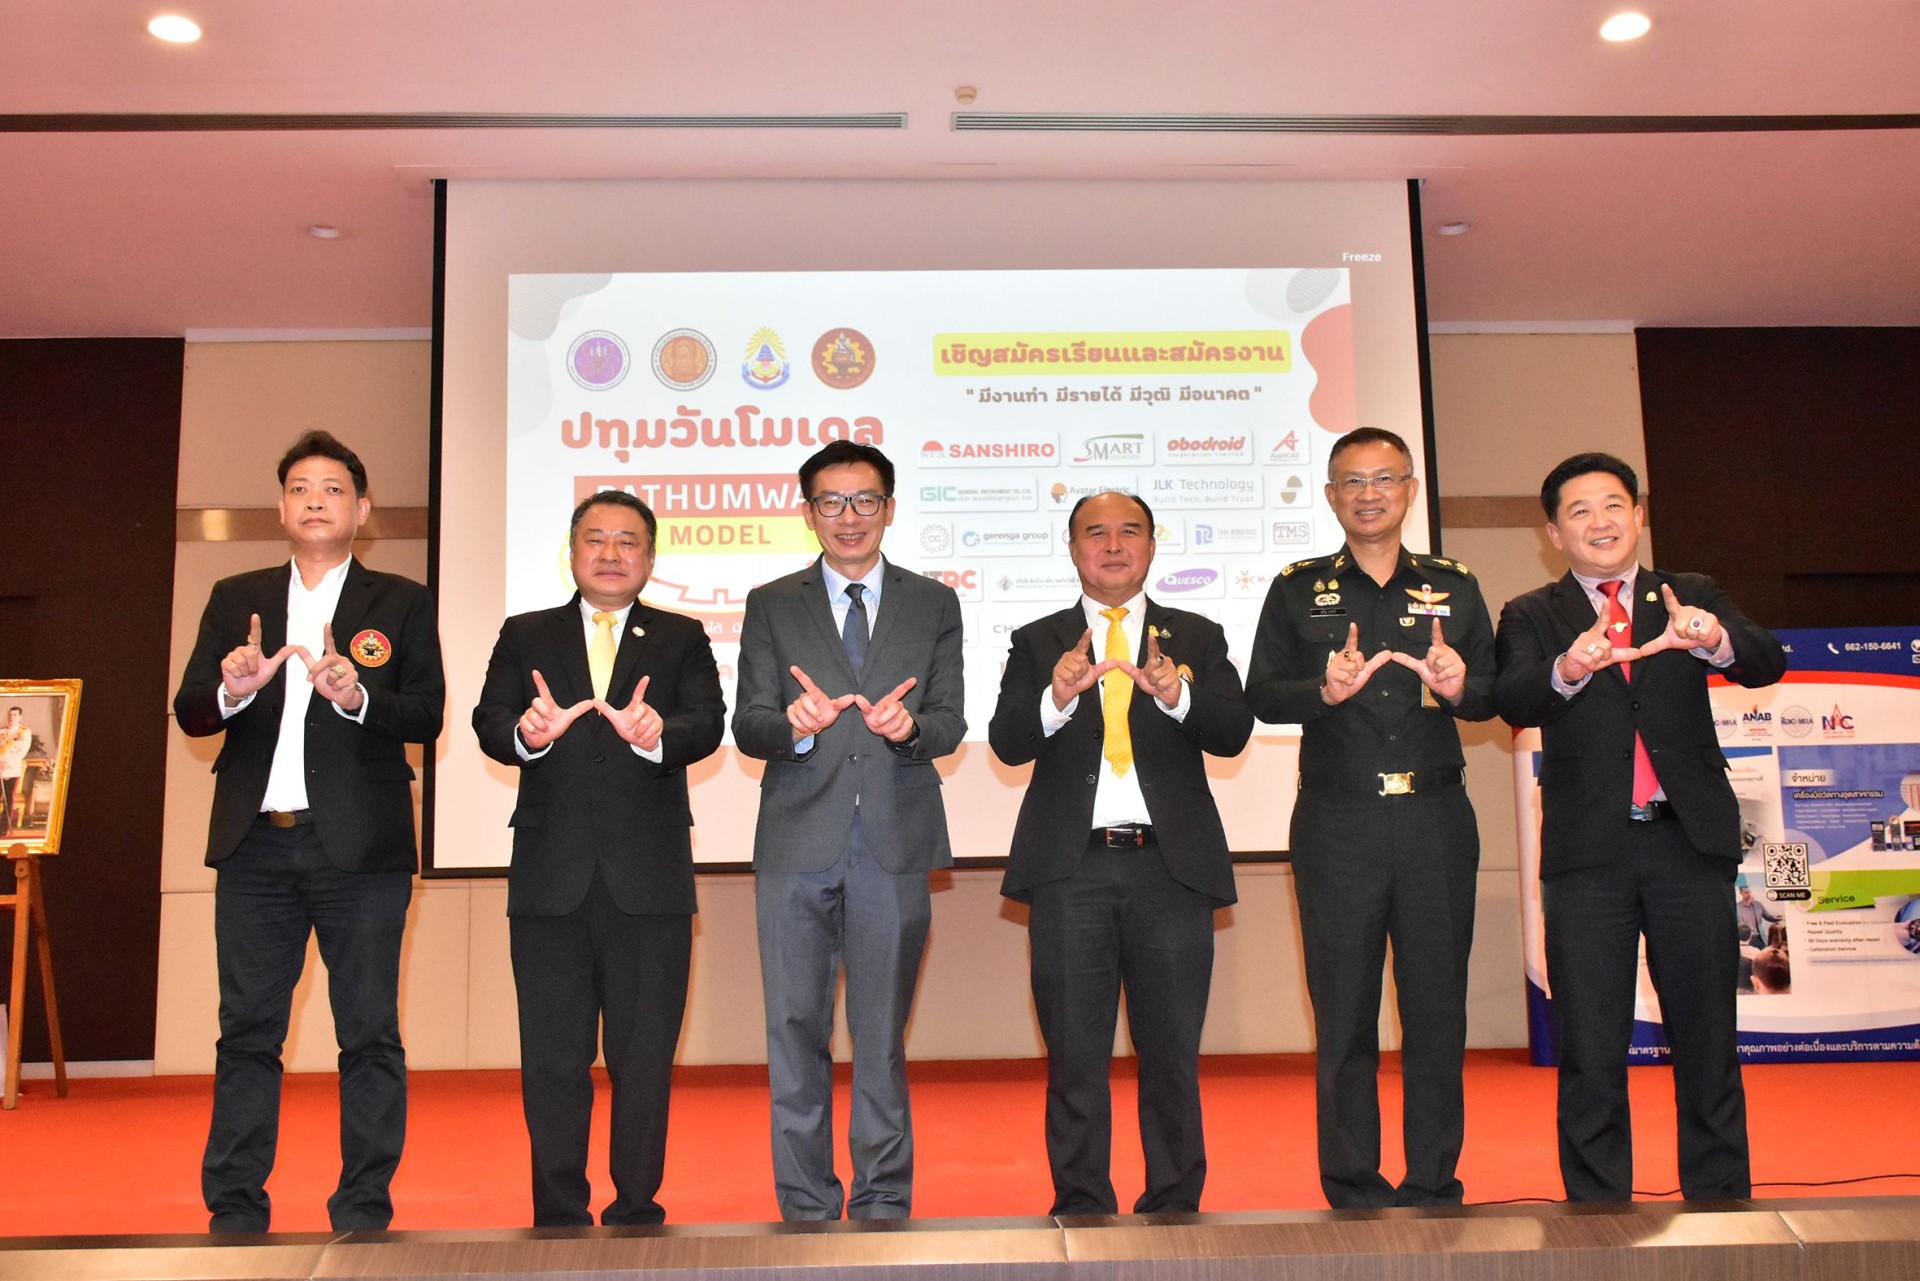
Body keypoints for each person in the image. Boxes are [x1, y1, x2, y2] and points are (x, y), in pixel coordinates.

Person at [1494, 450, 1787, 1202]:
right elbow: (1514, 697)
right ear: (1554, 533)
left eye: (1613, 505)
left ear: (1639, 515)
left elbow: (1765, 660)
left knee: (1707, 1036)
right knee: (1590, 1043)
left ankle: (1720, 1199)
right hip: (1588, 855)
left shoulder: (1690, 593)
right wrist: (1567, 667)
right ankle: (1597, 1209)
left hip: (1687, 843)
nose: (1600, 521)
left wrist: (1712, 637)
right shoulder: (1532, 612)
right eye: (1580, 511)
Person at [173, 431, 444, 1232]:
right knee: (247, 1032)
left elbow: (426, 713)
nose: (315, 500)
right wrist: (233, 688)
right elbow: (190, 709)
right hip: (255, 844)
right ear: (281, 507)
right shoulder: (236, 596)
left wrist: (356, 697)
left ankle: (362, 1205)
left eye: (332, 488)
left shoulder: (400, 600)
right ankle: (234, 1208)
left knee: (368, 1033)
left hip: (360, 849)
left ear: (362, 509)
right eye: (300, 487)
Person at [1244, 426, 1496, 1208]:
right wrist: (1322, 690)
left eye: (1385, 478)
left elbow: (1496, 692)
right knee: (1344, 1009)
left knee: (1436, 1008)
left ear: (1410, 490)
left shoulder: (1456, 585)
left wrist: (1460, 687)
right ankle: (1352, 1182)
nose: (1369, 494)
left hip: (1434, 817)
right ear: (1330, 496)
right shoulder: (1297, 587)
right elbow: (1260, 694)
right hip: (1337, 819)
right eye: (1352, 481)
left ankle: (1432, 1180)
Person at [989, 490, 1253, 1215]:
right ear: (1073, 548)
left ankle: (1173, 1204)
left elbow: (1232, 731)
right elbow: (1008, 741)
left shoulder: (1195, 634)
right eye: (1096, 532)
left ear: (1152, 545)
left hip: (1171, 869)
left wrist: (1177, 696)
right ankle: (1081, 1204)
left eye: (1129, 531)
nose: (1113, 545)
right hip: (1071, 869)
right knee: (1075, 1056)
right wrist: (1055, 697)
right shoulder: (1039, 640)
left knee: (1172, 1055)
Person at [471, 490, 724, 1226]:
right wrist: (528, 733)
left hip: (650, 882)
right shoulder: (526, 633)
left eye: (628, 541)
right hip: (550, 880)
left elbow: (708, 722)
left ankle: (637, 1207)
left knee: (643, 1060)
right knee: (552, 1060)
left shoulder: (680, 636)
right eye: (595, 539)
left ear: (650, 556)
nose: (611, 554)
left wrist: (656, 734)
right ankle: (557, 1213)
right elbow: (489, 721)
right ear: (572, 551)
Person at [732, 440, 966, 1220]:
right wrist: (793, 728)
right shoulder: (772, 602)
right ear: (808, 513)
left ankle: (882, 1201)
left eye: (865, 500)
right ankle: (804, 1202)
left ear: (890, 508)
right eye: (830, 501)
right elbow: (749, 723)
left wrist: (910, 729)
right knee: (793, 1028)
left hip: (894, 840)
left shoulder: (933, 603)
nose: (849, 516)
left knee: (881, 1035)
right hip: (796, 839)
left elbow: (949, 719)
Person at [0, 706, 31, 834]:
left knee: (8, 799)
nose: (11, 717)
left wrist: (6, 763)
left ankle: (3, 828)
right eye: (10, 715)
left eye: (15, 715)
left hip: (10, 770)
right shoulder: (2, 731)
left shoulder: (24, 732)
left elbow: (22, 751)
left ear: (20, 717)